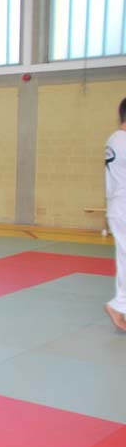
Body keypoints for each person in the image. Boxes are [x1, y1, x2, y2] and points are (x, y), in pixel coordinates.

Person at [103, 97, 126, 331]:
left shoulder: (114, 139)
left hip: (118, 207)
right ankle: (118, 304)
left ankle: (120, 304)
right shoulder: (123, 141)